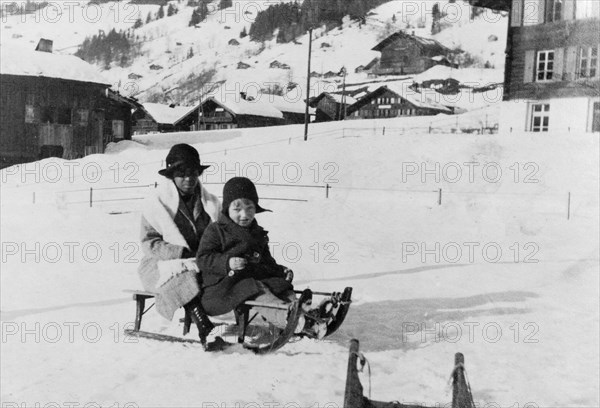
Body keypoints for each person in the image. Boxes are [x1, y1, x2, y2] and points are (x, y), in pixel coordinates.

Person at [197, 177, 327, 338]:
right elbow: (203, 258)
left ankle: (303, 314)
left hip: (249, 279)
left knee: (279, 285)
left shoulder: (257, 233)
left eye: (249, 208)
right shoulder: (216, 230)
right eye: (237, 209)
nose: (244, 214)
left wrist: (280, 271)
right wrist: (227, 262)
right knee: (256, 290)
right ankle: (287, 317)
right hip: (221, 288)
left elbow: (266, 262)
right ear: (227, 209)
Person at [137, 143, 221, 347]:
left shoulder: (209, 203)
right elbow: (149, 242)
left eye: (193, 173)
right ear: (171, 176)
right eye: (182, 173)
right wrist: (179, 252)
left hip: (198, 260)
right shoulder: (156, 203)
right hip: (158, 264)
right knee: (181, 277)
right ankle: (204, 327)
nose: (189, 179)